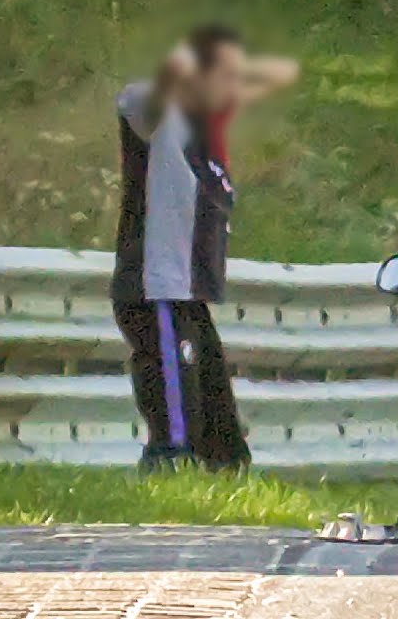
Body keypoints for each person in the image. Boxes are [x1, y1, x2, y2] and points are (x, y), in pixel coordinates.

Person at [111, 24, 298, 472]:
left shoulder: (209, 142)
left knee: (211, 382)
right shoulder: (165, 116)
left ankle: (226, 465)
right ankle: (169, 458)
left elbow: (280, 72)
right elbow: (132, 98)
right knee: (172, 379)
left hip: (188, 292)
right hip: (158, 285)